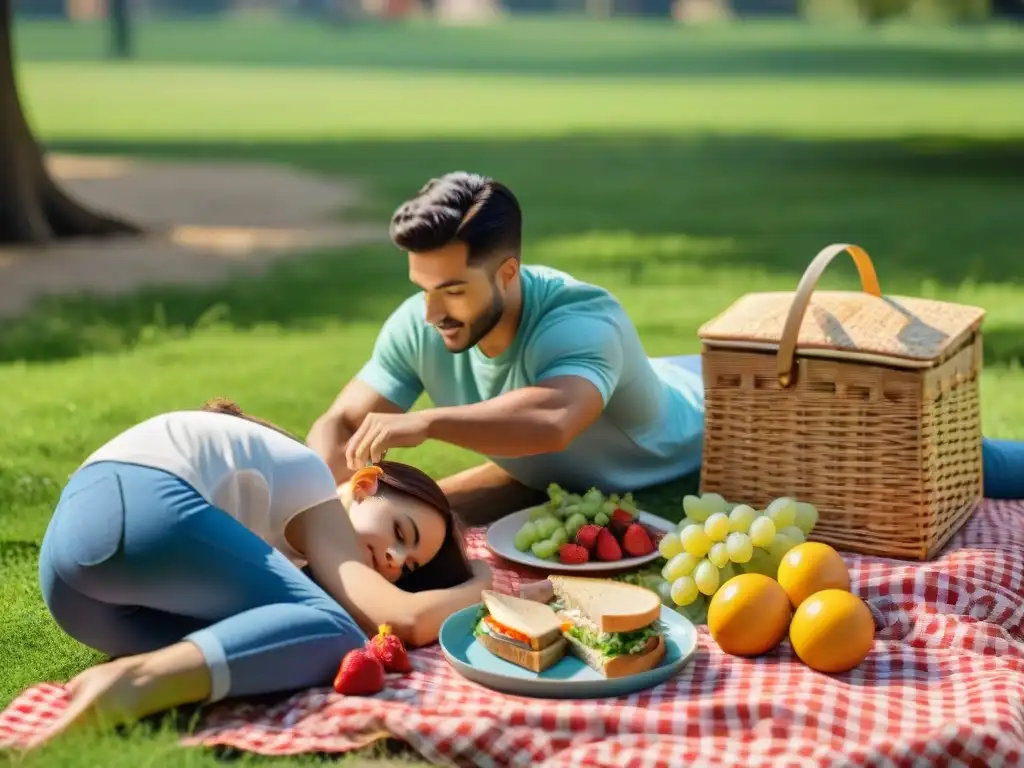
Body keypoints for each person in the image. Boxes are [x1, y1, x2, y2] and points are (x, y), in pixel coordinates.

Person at [307, 171, 1024, 526]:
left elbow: (555, 419)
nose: (432, 311)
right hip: (617, 440)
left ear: (507, 272)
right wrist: (311, 498)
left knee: (933, 463)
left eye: (453, 290)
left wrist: (426, 422)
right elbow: (342, 424)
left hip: (722, 435)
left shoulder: (580, 319)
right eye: (422, 287)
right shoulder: (420, 318)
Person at [33, 398, 491, 745]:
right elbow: (402, 620)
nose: (393, 558)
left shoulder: (279, 539)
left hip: (75, 591)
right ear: (365, 485)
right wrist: (483, 584)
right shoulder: (312, 481)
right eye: (400, 532)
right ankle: (131, 685)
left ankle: (128, 678)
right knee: (338, 635)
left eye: (407, 566)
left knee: (281, 635)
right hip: (139, 513)